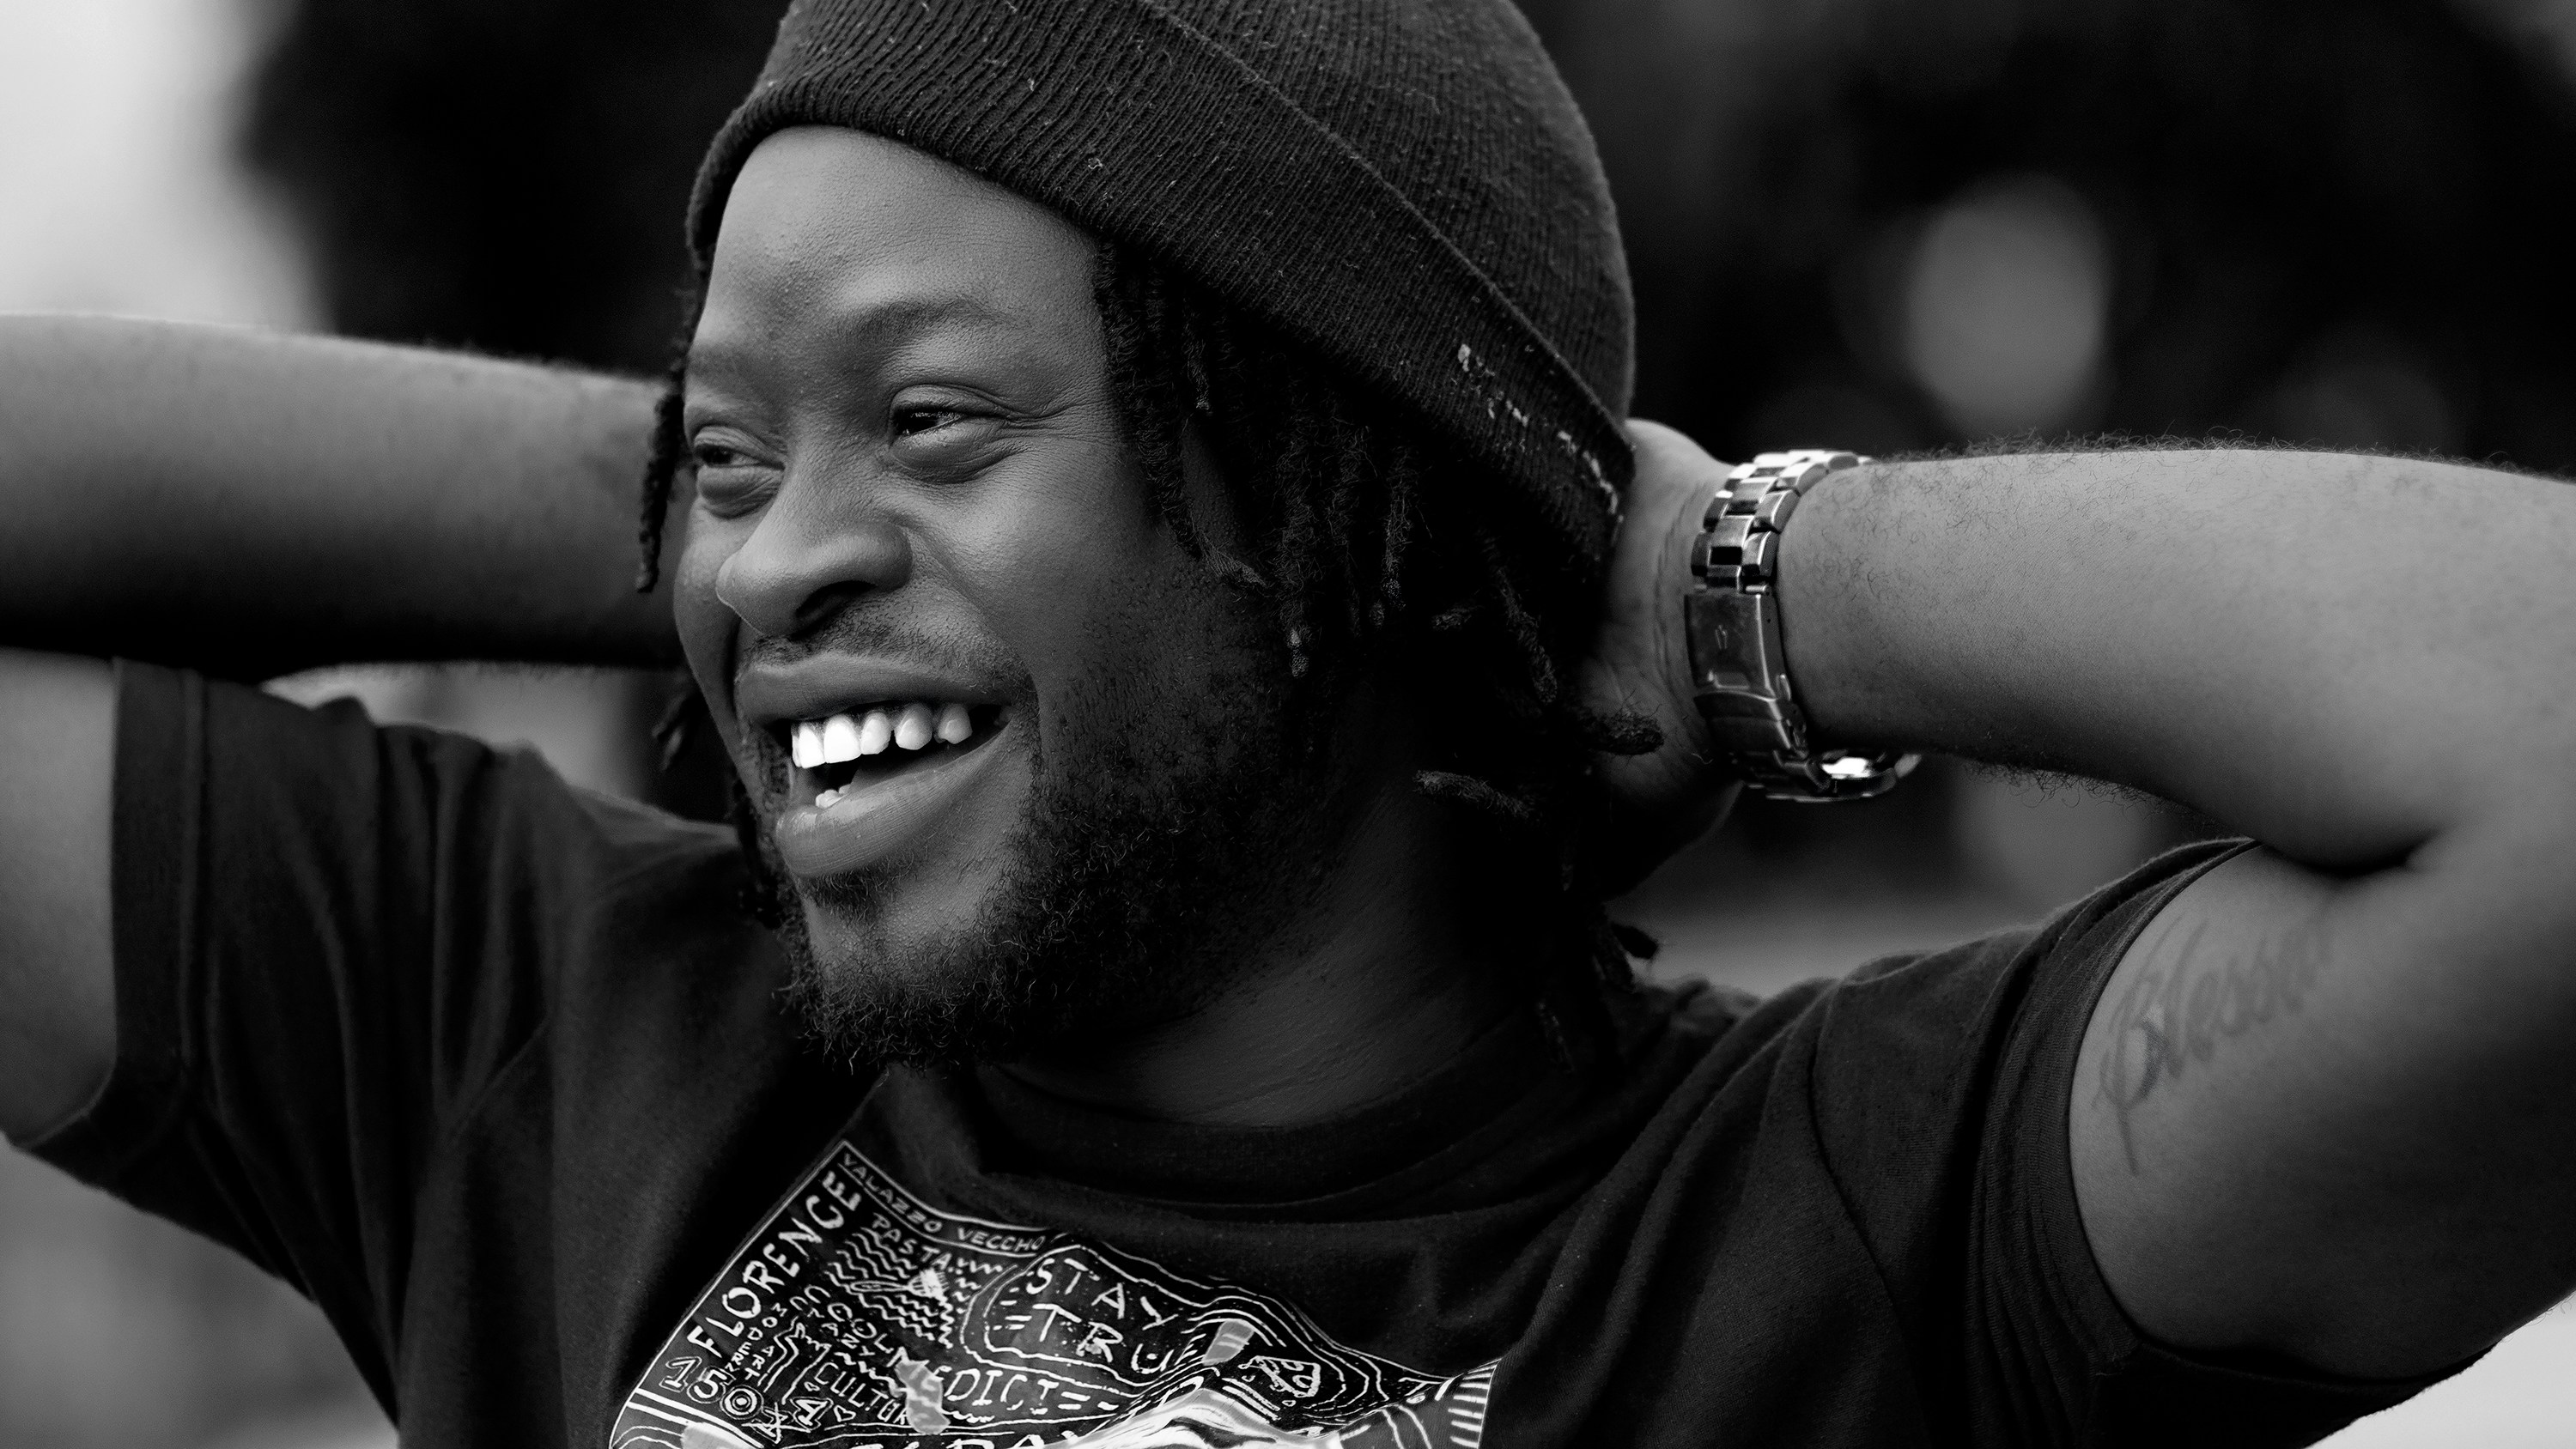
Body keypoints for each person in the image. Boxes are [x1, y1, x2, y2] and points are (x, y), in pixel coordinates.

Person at [3, 1, 2572, 1445]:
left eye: (940, 419)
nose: (772, 561)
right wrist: (716, 500)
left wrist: (1712, 582)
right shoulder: (543, 1033)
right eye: (731, 460)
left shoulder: (1846, 1228)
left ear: (1336, 501)